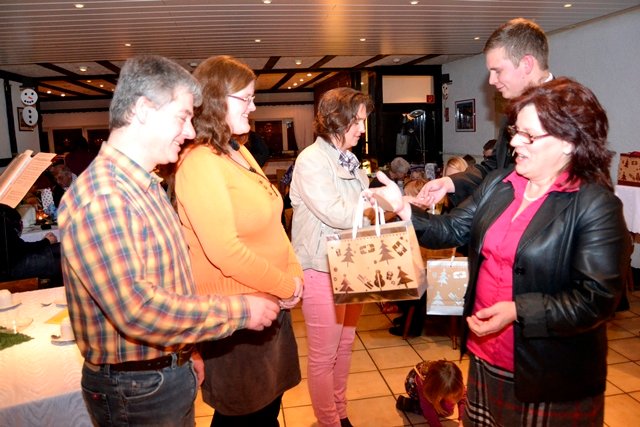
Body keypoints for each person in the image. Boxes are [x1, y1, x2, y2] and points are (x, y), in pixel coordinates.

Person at [366, 78, 631, 426]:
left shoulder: (594, 204)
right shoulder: (499, 184)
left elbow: (597, 299)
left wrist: (519, 310)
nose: (515, 142)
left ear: (568, 142)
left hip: (547, 372)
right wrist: (404, 209)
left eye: (529, 136)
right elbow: (450, 229)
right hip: (484, 354)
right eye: (515, 132)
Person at [58, 55, 280, 427]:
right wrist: (242, 310)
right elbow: (137, 310)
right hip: (137, 386)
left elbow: (169, 280)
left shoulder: (143, 184)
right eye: (182, 117)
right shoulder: (105, 196)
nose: (190, 132)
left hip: (159, 371)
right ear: (144, 110)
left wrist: (187, 351)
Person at [174, 55, 303, 427]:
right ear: (215, 100)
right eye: (245, 98)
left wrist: (293, 274)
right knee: (244, 416)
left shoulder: (237, 150)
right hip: (236, 316)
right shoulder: (199, 161)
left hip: (268, 305)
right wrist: (285, 285)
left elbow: (274, 220)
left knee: (267, 410)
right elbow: (224, 251)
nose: (254, 106)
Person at [289, 87, 374, 427]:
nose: (362, 129)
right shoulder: (311, 159)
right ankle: (328, 422)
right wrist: (380, 204)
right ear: (338, 120)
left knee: (345, 346)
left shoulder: (349, 159)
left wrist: (377, 204)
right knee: (324, 356)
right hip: (320, 268)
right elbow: (336, 212)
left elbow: (362, 205)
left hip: (352, 264)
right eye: (358, 121)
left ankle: (340, 412)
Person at [418, 18, 553, 208]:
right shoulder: (511, 113)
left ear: (526, 64)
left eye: (497, 71)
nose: (491, 80)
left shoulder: (567, 112)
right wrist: (449, 182)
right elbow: (495, 167)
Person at [0, 203, 62, 285]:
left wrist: (45, 242)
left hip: (14, 262)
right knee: (61, 260)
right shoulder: (3, 216)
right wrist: (46, 242)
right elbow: (22, 248)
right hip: (13, 269)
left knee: (60, 249)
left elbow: (17, 247)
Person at [395, 360, 466, 427]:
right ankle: (408, 404)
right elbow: (428, 409)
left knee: (446, 410)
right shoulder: (425, 385)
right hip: (413, 385)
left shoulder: (455, 381)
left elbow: (463, 399)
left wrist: (462, 421)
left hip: (434, 381)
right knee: (434, 408)